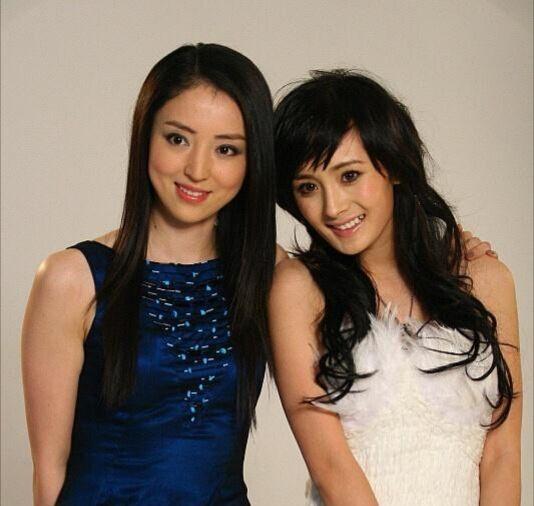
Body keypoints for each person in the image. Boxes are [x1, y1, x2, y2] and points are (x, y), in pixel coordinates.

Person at [21, 43, 281, 505]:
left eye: (226, 149)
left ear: (252, 160)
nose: (197, 169)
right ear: (146, 136)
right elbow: (49, 471)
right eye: (178, 139)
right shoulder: (72, 279)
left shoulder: (271, 273)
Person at [270, 70, 521, 505]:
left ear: (396, 165)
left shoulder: (486, 280)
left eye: (349, 175)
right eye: (308, 187)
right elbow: (331, 468)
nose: (333, 207)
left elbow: (503, 455)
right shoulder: (298, 289)